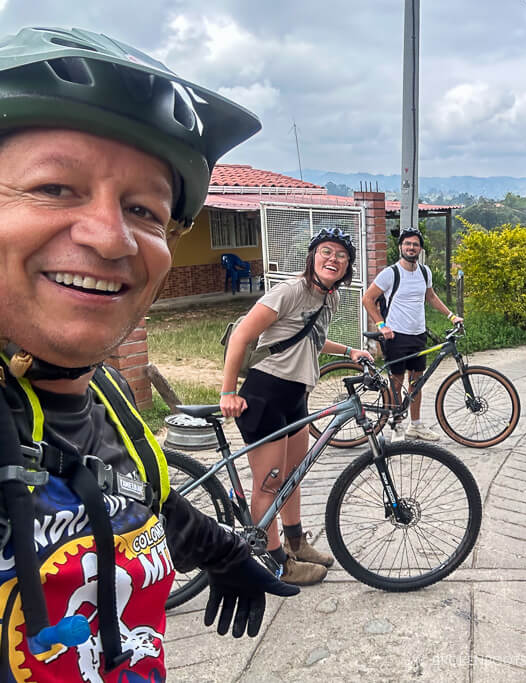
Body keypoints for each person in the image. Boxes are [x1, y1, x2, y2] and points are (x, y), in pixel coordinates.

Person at [0, 26, 298, 682]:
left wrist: (217, 548)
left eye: (143, 208)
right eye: (54, 187)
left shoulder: (102, 395)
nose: (111, 238)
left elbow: (142, 491)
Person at [219, 228, 373, 586]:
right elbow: (242, 335)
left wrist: (349, 351)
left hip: (296, 396)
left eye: (341, 256)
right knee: (269, 484)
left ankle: (296, 543)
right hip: (265, 393)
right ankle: (276, 563)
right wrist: (228, 391)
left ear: (347, 266)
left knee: (292, 477)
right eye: (326, 252)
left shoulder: (328, 297)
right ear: (312, 256)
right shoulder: (290, 291)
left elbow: (312, 339)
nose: (332, 259)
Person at [361, 227, 463, 441]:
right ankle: (397, 425)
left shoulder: (425, 272)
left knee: (417, 382)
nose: (411, 247)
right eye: (407, 244)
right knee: (396, 383)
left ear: (420, 249)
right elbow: (367, 299)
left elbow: (432, 297)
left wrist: (451, 316)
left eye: (415, 244)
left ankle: (415, 425)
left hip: (418, 335)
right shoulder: (390, 273)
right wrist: (381, 325)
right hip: (395, 335)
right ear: (400, 247)